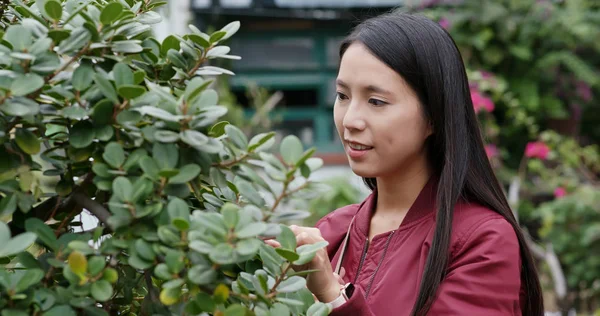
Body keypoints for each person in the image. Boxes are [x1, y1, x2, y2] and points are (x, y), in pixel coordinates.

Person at [267, 10, 544, 316]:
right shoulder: (332, 232)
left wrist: (333, 297)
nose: (350, 120)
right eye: (342, 95)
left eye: (376, 101)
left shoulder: (481, 242)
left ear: (433, 117)